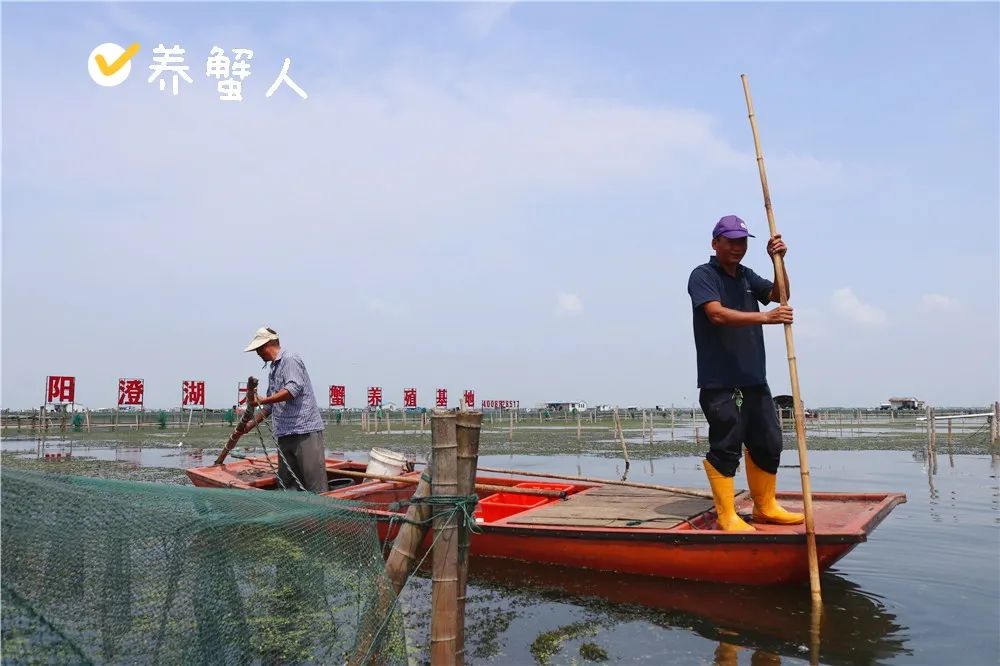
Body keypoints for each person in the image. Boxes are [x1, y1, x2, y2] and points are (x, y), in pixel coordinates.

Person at [687, 215, 804, 531]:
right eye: (731, 241)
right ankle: (727, 515)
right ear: (716, 243)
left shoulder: (746, 275)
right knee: (726, 443)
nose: (738, 247)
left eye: (742, 242)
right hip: (720, 381)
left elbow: (781, 295)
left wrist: (777, 260)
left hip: (754, 378)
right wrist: (765, 318)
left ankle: (765, 507)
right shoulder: (703, 275)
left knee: (768, 441)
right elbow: (717, 315)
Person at [235, 326, 328, 492]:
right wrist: (249, 425)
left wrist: (264, 399)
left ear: (269, 344)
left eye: (259, 348)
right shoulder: (273, 369)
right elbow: (270, 405)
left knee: (314, 484)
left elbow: (292, 390)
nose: (258, 353)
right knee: (288, 484)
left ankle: (320, 514)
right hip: (285, 433)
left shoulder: (290, 359)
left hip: (304, 431)